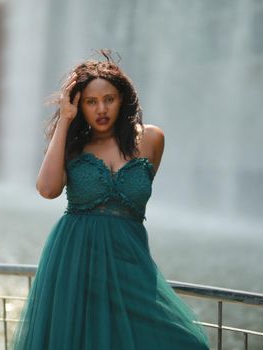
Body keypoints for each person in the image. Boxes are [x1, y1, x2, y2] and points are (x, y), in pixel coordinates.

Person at [11, 50, 210, 350]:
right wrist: (65, 121)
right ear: (81, 106)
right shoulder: (73, 146)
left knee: (187, 342)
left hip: (130, 261)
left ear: (123, 99)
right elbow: (48, 189)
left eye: (109, 99)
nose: (101, 109)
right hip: (76, 259)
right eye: (91, 102)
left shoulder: (152, 139)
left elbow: (134, 200)